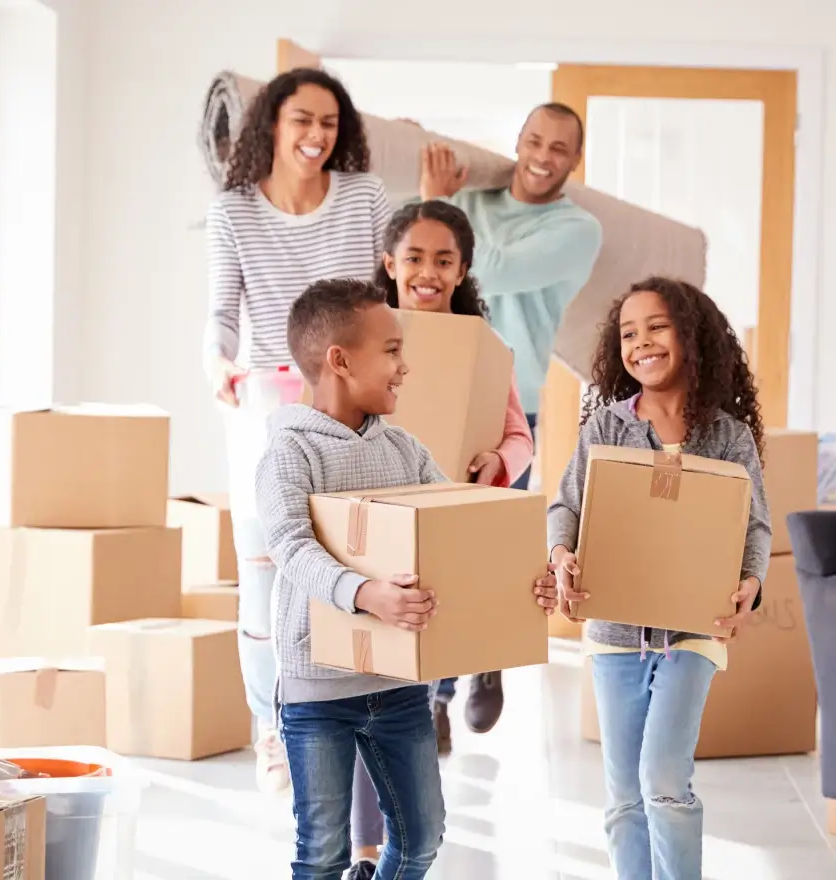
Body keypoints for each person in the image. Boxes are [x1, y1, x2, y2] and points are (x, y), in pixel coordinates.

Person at [262, 278, 556, 880]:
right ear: (339, 361)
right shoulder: (290, 452)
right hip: (317, 686)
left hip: (399, 682)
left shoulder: (404, 448)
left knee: (421, 838)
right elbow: (290, 545)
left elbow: (457, 535)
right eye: (391, 350)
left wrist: (526, 584)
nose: (404, 367)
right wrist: (366, 594)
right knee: (321, 852)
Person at [534, 278, 771, 880]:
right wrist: (561, 553)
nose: (641, 343)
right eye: (628, 333)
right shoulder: (606, 430)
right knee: (623, 798)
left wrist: (751, 583)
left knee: (663, 780)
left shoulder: (727, 437)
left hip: (695, 629)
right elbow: (565, 506)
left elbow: (754, 527)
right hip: (616, 634)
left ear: (691, 336)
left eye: (657, 327)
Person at [202, 68, 391, 799]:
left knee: (348, 567)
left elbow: (391, 295)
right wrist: (216, 360)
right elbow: (221, 312)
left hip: (350, 408)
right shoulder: (233, 212)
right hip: (266, 407)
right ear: (271, 127)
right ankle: (272, 732)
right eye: (302, 121)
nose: (317, 137)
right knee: (266, 582)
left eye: (330, 124)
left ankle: (354, 728)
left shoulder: (365, 198)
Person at [413, 102, 604, 734]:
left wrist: (440, 204)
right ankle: (435, 701)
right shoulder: (478, 202)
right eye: (533, 140)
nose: (542, 156)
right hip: (438, 388)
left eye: (558, 148)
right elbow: (421, 260)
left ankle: (484, 661)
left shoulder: (577, 230)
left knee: (484, 555)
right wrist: (447, 202)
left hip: (509, 401)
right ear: (518, 142)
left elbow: (492, 268)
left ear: (574, 160)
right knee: (430, 551)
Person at [376, 200, 535, 758]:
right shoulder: (365, 336)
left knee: (437, 623)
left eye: (444, 261)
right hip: (385, 512)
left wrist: (499, 461)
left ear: (462, 271)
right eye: (414, 258)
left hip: (454, 511)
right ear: (390, 265)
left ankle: (453, 689)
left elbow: (520, 436)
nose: (429, 273)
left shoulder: (481, 348)